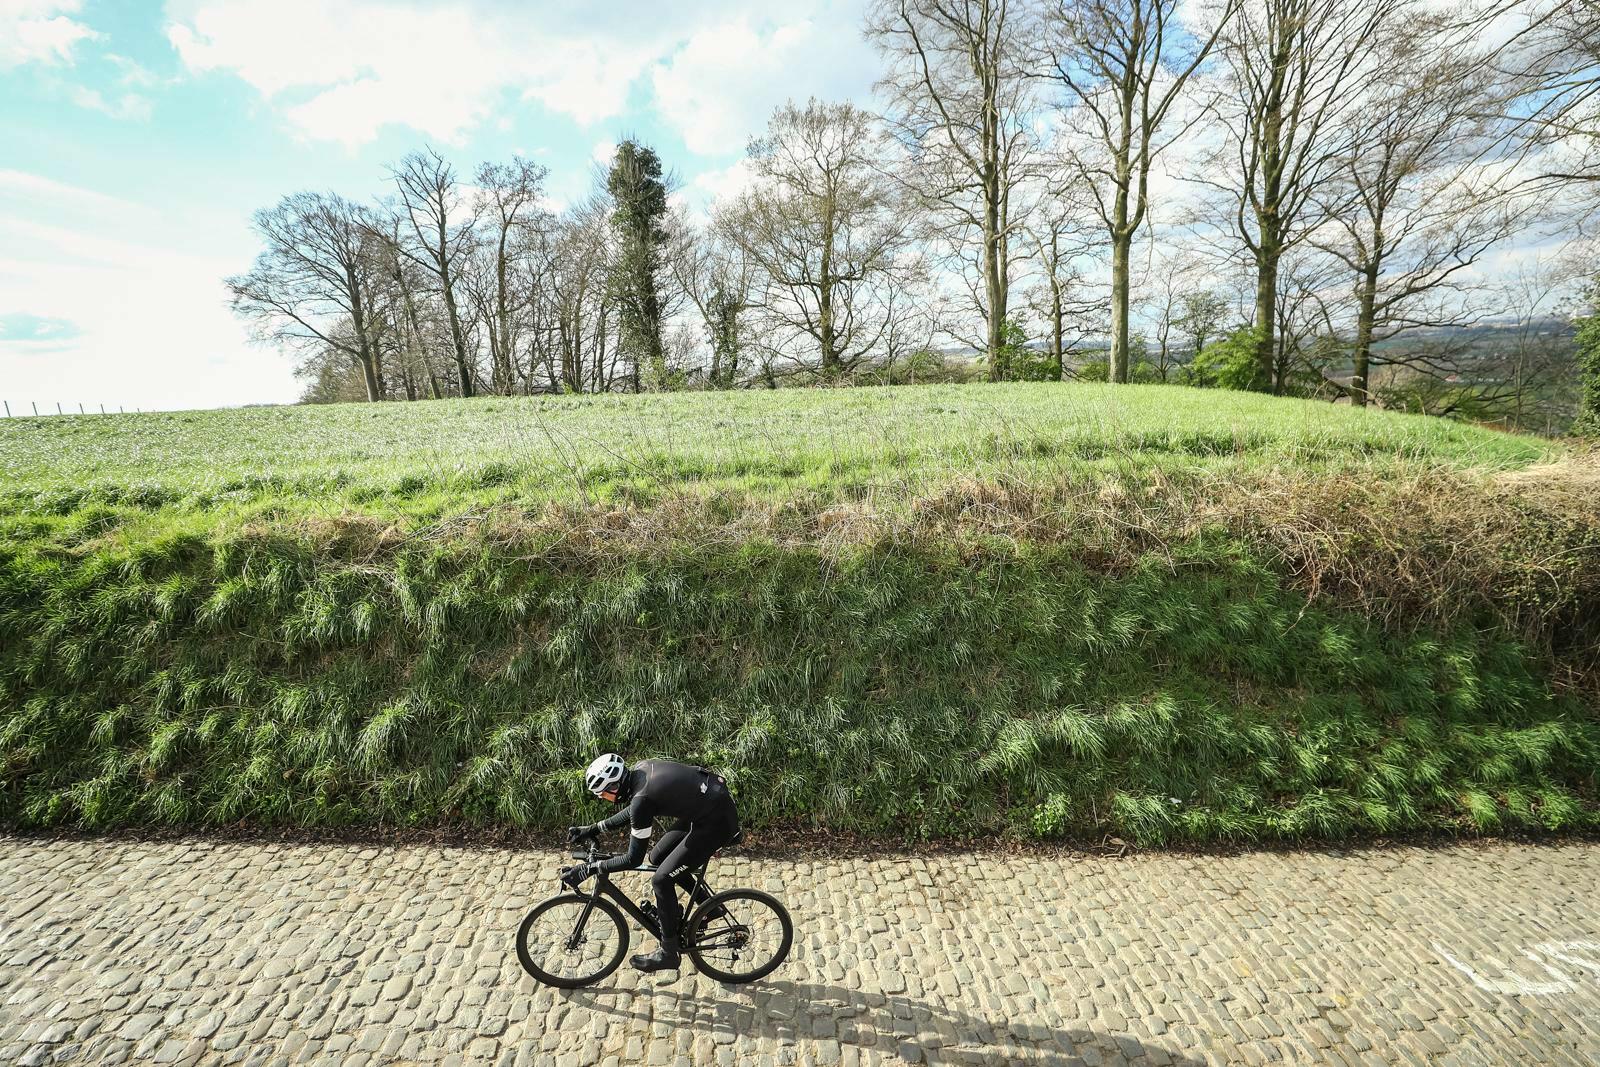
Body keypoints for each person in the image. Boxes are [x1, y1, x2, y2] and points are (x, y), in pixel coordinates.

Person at [563, 753, 741, 974]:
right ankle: (711, 908)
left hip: (716, 823)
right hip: (708, 807)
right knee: (657, 858)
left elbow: (632, 858)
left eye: (601, 793)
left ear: (614, 787)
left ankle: (668, 953)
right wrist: (594, 828)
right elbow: (635, 810)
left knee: (662, 880)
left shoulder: (641, 799)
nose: (601, 798)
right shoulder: (640, 771)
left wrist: (592, 868)